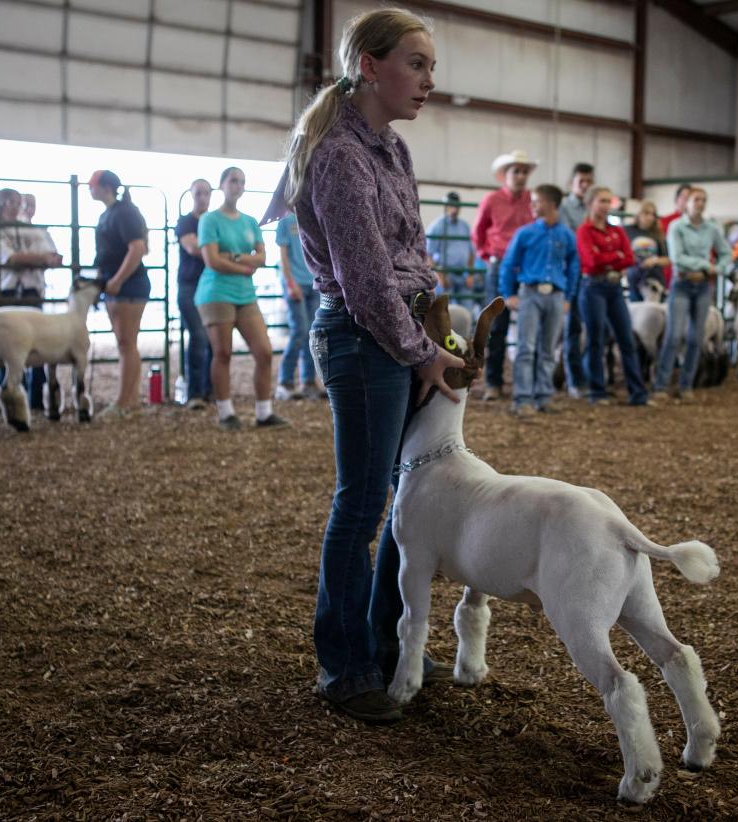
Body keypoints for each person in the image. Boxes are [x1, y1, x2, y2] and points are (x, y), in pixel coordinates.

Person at [269, 7, 462, 723]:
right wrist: (423, 352)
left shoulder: (390, 148)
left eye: (431, 67)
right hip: (364, 338)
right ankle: (343, 666)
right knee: (362, 502)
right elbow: (365, 280)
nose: (428, 81)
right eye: (417, 64)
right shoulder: (341, 156)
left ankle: (382, 646)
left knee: (397, 496)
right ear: (370, 66)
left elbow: (408, 252)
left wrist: (431, 323)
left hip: (399, 334)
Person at [194, 167, 286, 430]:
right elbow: (212, 261)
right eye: (233, 180)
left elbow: (262, 257)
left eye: (242, 182)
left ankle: (264, 412)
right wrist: (245, 264)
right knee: (222, 353)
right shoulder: (209, 220)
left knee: (264, 352)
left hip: (244, 293)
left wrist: (232, 258)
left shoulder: (249, 222)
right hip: (216, 293)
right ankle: (225, 412)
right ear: (222, 185)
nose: (238, 186)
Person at [0, 188, 61, 408]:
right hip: (3, 294)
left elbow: (53, 256)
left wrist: (37, 258)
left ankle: (35, 400)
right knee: (8, 349)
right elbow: (10, 258)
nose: (18, 206)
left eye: (19, 202)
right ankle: (13, 400)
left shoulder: (32, 230)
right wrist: (40, 258)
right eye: (13, 202)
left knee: (38, 346)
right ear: (2, 203)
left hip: (30, 293)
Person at [500, 183, 579, 416]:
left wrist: (569, 296)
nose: (532, 205)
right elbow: (508, 263)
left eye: (537, 201)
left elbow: (574, 265)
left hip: (555, 295)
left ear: (551, 204)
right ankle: (523, 398)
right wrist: (509, 294)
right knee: (526, 346)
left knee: (548, 348)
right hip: (530, 293)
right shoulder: (525, 233)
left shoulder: (566, 235)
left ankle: (544, 396)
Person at [652, 187, 730, 399]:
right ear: (686, 203)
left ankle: (687, 385)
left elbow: (726, 253)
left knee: (697, 338)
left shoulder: (712, 229)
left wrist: (719, 268)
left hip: (703, 286)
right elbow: (677, 257)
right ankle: (661, 385)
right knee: (674, 335)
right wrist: (707, 265)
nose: (700, 203)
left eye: (703, 200)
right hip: (682, 284)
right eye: (696, 199)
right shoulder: (677, 227)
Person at [472, 149, 535, 401]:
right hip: (500, 266)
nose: (520, 176)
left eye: (524, 172)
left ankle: (527, 384)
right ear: (505, 175)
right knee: (498, 324)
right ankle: (493, 382)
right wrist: (488, 255)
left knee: (531, 325)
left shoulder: (533, 200)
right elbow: (478, 232)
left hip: (527, 268)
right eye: (516, 171)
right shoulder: (492, 200)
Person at [577, 186, 649, 406]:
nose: (607, 206)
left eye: (609, 201)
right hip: (593, 287)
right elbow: (590, 261)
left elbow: (629, 258)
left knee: (626, 339)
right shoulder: (584, 231)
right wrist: (615, 256)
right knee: (595, 340)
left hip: (614, 287)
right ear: (591, 204)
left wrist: (606, 257)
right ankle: (597, 391)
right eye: (602, 201)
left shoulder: (616, 231)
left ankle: (637, 392)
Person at [89, 169, 150, 417]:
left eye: (92, 185)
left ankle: (126, 401)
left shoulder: (124, 212)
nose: (89, 189)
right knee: (125, 343)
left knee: (127, 343)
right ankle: (130, 400)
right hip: (117, 285)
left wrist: (117, 279)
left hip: (128, 285)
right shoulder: (112, 213)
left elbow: (137, 248)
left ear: (105, 187)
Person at [275, 210, 323, 401]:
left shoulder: (313, 216)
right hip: (295, 283)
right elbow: (283, 256)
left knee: (312, 334)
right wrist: (289, 282)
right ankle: (284, 382)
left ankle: (308, 382)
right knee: (299, 330)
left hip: (314, 282)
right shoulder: (286, 220)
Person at [176, 178, 213, 410]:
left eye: (206, 193)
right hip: (191, 285)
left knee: (212, 338)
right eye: (198, 193)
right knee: (199, 336)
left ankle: (210, 389)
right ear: (192, 195)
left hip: (212, 285)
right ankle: (195, 392)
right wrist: (221, 253)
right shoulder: (186, 221)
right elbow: (194, 248)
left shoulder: (213, 220)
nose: (202, 197)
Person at [558, 162, 594, 398]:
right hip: (572, 273)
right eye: (581, 181)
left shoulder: (592, 207)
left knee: (590, 329)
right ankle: (573, 380)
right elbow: (573, 241)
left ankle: (588, 377)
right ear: (572, 182)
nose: (585, 185)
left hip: (590, 274)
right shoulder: (563, 208)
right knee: (572, 329)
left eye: (589, 182)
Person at [425, 191, 474, 303]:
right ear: (445, 206)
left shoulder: (464, 226)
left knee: (467, 311)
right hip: (445, 274)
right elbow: (428, 254)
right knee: (445, 312)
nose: (454, 208)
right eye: (451, 205)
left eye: (456, 205)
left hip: (462, 275)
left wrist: (470, 274)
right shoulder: (437, 226)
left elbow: (471, 252)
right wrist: (440, 276)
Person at [624, 201, 668, 301]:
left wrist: (654, 261)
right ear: (639, 214)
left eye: (653, 214)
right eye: (646, 213)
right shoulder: (627, 230)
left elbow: (667, 259)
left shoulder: (658, 234)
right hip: (633, 278)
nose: (650, 217)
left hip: (654, 278)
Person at [658, 183, 693, 290]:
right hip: (670, 275)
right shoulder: (664, 222)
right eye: (684, 197)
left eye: (690, 198)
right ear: (677, 199)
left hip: (694, 274)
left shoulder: (701, 225)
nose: (687, 200)